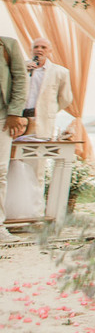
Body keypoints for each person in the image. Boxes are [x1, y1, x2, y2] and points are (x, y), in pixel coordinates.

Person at [0, 36, 28, 242]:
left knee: (0, 171)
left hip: (2, 118)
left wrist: (15, 112)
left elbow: (20, 78)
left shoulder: (7, 45)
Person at [23, 38, 73, 140]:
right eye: (36, 47)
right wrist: (23, 70)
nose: (39, 49)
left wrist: (50, 109)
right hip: (20, 118)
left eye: (43, 47)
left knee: (38, 150)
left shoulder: (60, 72)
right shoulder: (20, 67)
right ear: (31, 50)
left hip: (42, 119)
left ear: (49, 51)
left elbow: (66, 98)